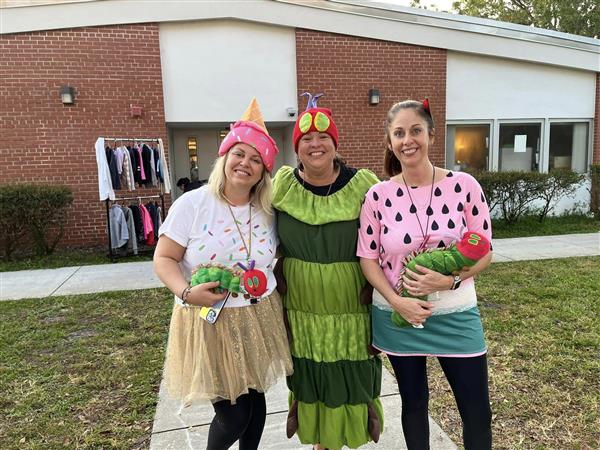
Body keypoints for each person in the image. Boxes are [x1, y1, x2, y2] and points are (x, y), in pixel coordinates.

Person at [154, 98, 293, 450]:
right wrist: (187, 292)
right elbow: (165, 259)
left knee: (256, 399)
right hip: (209, 321)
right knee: (233, 415)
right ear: (225, 157)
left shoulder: (268, 210)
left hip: (257, 316)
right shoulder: (193, 203)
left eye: (255, 158)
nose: (245, 163)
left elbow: (274, 258)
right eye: (239, 154)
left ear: (264, 169)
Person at [357, 99, 493, 450]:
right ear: (389, 142)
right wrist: (398, 302)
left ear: (431, 134)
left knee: (476, 411)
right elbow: (368, 259)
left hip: (456, 313)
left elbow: (484, 250)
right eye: (398, 133)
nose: (408, 140)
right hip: (399, 317)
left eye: (415, 130)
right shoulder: (377, 196)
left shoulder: (463, 185)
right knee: (414, 405)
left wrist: (451, 280)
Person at [273, 93, 383, 449]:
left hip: (352, 309)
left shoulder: (364, 186)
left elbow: (391, 237)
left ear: (335, 144)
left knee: (350, 375)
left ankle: (344, 440)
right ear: (297, 148)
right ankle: (321, 443)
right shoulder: (282, 186)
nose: (315, 144)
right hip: (302, 311)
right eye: (306, 139)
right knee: (310, 374)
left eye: (323, 137)